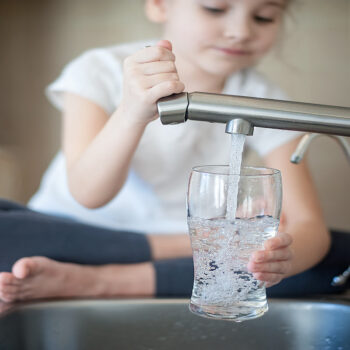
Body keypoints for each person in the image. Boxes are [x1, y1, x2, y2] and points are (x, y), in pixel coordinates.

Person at [1, 0, 345, 304]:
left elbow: (308, 225)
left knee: (339, 257)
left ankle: (97, 282)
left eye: (265, 17)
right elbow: (88, 195)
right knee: (9, 232)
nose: (240, 31)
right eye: (215, 8)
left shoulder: (265, 99)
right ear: (159, 4)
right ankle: (183, 248)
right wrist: (132, 112)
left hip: (184, 253)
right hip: (79, 234)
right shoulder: (99, 69)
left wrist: (278, 260)